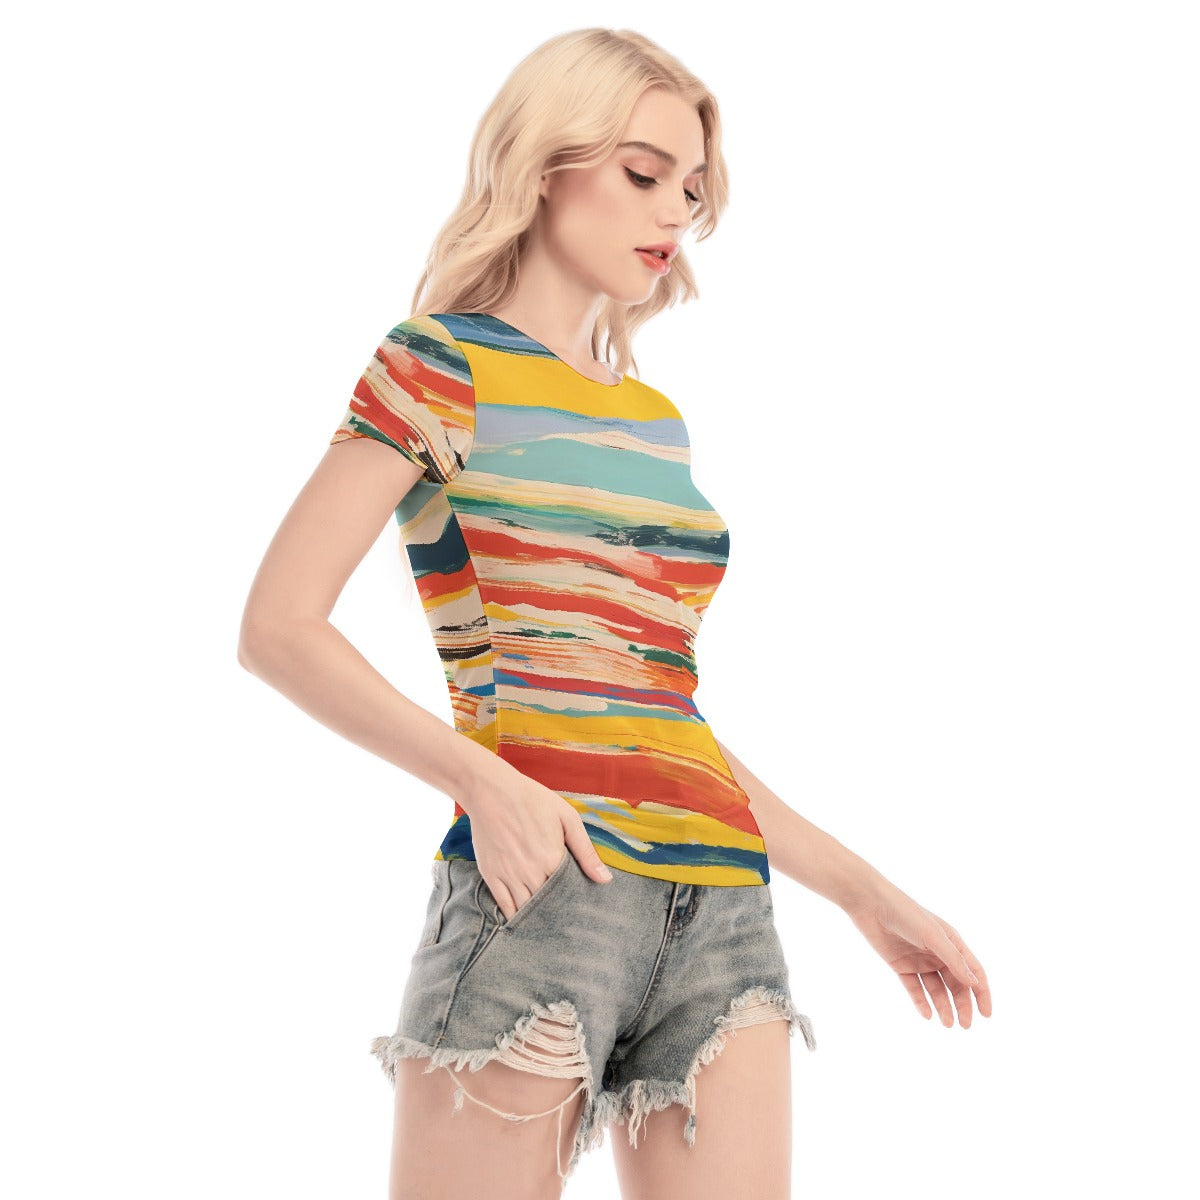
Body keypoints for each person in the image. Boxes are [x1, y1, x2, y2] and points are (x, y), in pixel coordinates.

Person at [237, 26, 992, 1200]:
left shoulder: (652, 421)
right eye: (643, 174)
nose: (674, 211)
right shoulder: (438, 365)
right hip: (544, 892)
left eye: (691, 187)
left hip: (724, 911)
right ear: (545, 166)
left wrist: (866, 894)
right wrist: (486, 784)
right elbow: (279, 626)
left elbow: (658, 720)